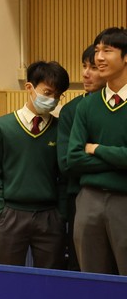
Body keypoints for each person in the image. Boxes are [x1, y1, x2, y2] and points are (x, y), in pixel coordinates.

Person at [0, 61, 70, 268]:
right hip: (11, 214)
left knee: (50, 279)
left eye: (58, 95)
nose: (52, 100)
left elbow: (64, 175)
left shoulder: (60, 128)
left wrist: (60, 214)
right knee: (7, 277)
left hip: (49, 216)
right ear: (29, 87)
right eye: (47, 92)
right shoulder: (1, 126)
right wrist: (1, 210)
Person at [67, 27, 127, 275]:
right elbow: (74, 158)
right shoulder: (87, 105)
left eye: (107, 51)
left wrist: (97, 148)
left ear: (125, 57)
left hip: (124, 200)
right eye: (97, 50)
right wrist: (118, 158)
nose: (99, 57)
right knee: (92, 279)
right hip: (89, 200)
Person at [57, 45, 105, 271]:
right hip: (79, 197)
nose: (86, 74)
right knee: (83, 266)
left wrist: (94, 151)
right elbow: (68, 163)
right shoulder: (72, 110)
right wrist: (115, 162)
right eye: (84, 67)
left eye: (93, 68)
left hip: (119, 199)